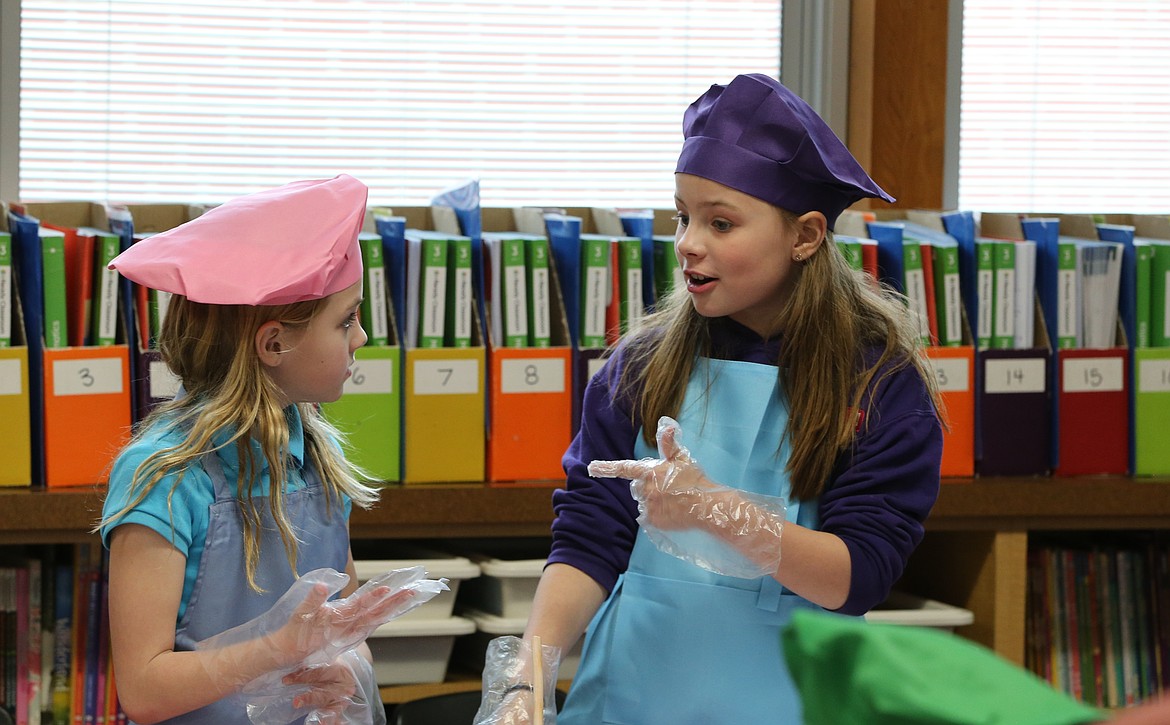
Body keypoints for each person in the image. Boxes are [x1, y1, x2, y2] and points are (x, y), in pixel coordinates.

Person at [475, 73, 944, 724]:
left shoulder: (879, 382)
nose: (689, 242)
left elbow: (857, 574)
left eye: (720, 222)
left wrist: (721, 512)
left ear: (806, 235)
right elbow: (589, 541)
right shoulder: (640, 368)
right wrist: (527, 680)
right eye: (683, 216)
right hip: (631, 698)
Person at [99, 174, 408, 725]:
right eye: (346, 320)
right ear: (273, 343)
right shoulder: (164, 477)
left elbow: (340, 634)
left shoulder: (317, 459)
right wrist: (276, 649)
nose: (361, 337)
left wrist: (347, 666)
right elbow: (144, 691)